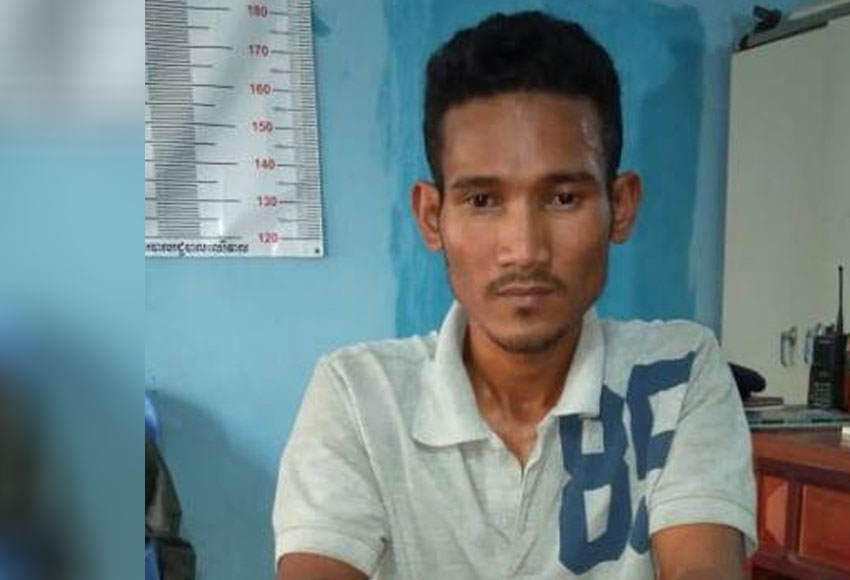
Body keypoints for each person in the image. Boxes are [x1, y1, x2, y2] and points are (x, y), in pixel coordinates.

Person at [273, 11, 755, 580]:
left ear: (621, 206)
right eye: (482, 201)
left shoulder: (677, 374)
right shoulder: (358, 395)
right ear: (432, 217)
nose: (524, 250)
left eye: (563, 198)